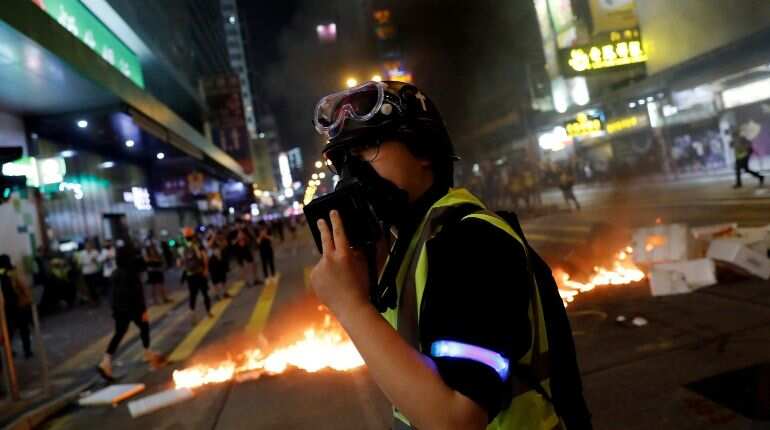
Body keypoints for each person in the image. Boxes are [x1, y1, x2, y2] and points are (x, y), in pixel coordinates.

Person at [309, 81, 591, 429]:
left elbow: (456, 419)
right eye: (344, 161)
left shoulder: (468, 242)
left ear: (423, 149)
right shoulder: (414, 247)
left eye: (368, 146)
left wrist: (350, 306)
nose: (353, 174)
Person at [97, 246, 163, 381]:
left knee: (119, 332)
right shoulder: (131, 272)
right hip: (133, 308)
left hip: (119, 308)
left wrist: (115, 309)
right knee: (144, 326)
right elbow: (137, 293)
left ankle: (106, 361)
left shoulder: (115, 272)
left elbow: (113, 294)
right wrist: (143, 310)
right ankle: (147, 352)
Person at [0, 255, 33, 358]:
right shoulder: (13, 272)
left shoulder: (1, 273)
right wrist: (28, 298)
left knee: (8, 331)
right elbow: (22, 286)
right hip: (18, 305)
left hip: (6, 307)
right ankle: (27, 351)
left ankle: (9, 351)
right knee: (24, 329)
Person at [180, 230, 212, 320]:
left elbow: (180, 262)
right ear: (193, 236)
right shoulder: (198, 245)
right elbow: (205, 257)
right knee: (205, 293)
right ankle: (208, 312)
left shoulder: (183, 248)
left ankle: (192, 313)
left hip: (190, 274)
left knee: (192, 294)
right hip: (200, 272)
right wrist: (206, 269)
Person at [143, 240, 171, 305]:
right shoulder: (147, 253)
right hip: (152, 272)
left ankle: (164, 298)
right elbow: (147, 261)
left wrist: (157, 260)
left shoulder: (156, 251)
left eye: (152, 246)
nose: (152, 248)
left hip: (157, 270)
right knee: (154, 286)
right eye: (150, 247)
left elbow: (160, 259)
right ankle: (155, 300)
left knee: (161, 285)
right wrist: (154, 259)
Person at [76, 240, 102, 305]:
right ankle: (93, 301)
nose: (88, 246)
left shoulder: (95, 252)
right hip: (86, 273)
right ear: (85, 246)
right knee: (89, 287)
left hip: (94, 271)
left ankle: (97, 299)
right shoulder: (82, 253)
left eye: (89, 245)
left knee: (95, 286)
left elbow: (99, 260)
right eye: (87, 245)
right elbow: (80, 263)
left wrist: (95, 260)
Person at [208, 236, 230, 300]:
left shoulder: (217, 242)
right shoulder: (206, 242)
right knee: (215, 280)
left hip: (220, 262)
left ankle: (225, 293)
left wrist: (217, 239)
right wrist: (213, 237)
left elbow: (224, 245)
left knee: (223, 278)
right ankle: (217, 295)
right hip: (212, 263)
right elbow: (208, 245)